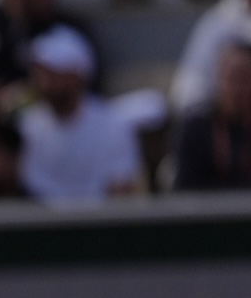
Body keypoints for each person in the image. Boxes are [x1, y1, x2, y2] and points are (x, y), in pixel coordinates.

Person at [14, 26, 160, 203]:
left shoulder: (112, 126)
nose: (43, 81)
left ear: (76, 75)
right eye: (40, 72)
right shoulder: (27, 125)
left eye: (53, 73)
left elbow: (121, 189)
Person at [173, 42, 251, 191]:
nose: (237, 89)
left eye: (244, 78)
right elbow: (185, 188)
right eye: (231, 78)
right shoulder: (196, 130)